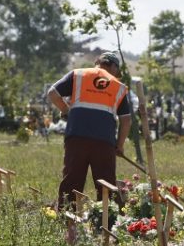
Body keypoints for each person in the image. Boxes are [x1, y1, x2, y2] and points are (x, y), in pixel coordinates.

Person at [47, 52, 133, 209]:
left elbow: (52, 93)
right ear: (113, 66)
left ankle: (68, 223)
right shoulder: (119, 86)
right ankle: (107, 224)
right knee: (106, 185)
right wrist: (119, 145)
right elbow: (126, 120)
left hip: (76, 137)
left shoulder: (78, 75)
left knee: (72, 181)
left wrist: (67, 111)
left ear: (97, 63)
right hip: (104, 141)